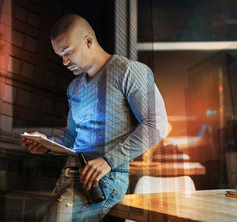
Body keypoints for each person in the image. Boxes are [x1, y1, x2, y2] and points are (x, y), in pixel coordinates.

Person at [21, 14, 168, 221]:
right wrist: (47, 144)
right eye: (60, 55)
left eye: (68, 52)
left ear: (88, 41)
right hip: (69, 176)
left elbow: (157, 125)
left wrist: (109, 160)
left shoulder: (129, 71)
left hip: (105, 179)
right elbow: (72, 137)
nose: (64, 62)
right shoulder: (74, 87)